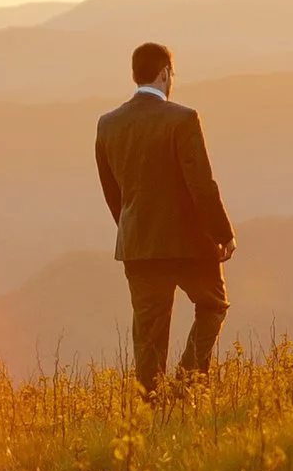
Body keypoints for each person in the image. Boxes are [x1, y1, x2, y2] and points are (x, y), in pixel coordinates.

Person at [95, 42, 236, 392]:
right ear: (164, 73)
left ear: (135, 74)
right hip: (189, 243)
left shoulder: (108, 124)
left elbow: (112, 192)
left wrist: (131, 228)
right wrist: (222, 233)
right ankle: (186, 386)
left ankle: (152, 407)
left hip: (138, 245)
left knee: (148, 336)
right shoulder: (183, 119)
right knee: (213, 305)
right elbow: (201, 184)